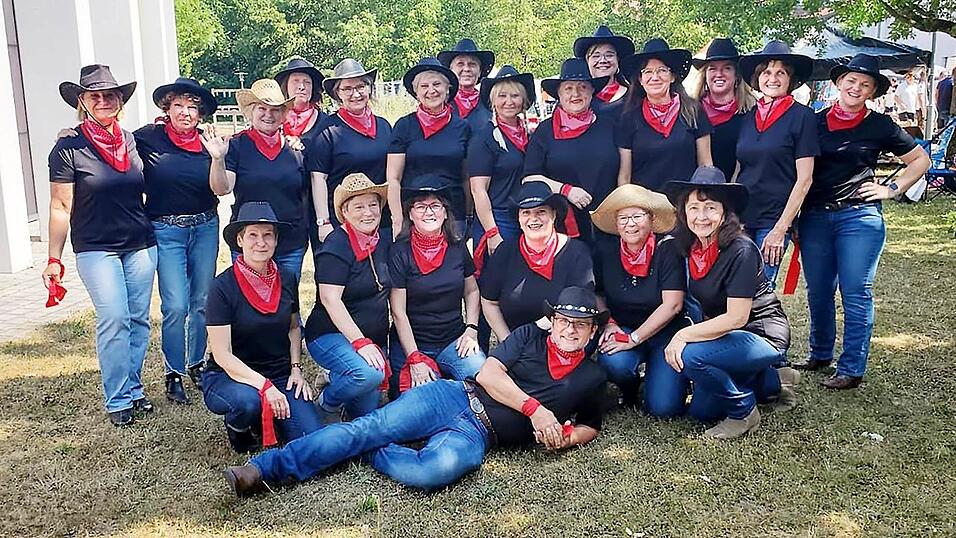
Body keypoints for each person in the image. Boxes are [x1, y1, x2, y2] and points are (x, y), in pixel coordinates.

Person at [222, 286, 609, 495]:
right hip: (453, 395)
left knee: (434, 472)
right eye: (564, 321)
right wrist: (536, 411)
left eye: (581, 325)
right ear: (553, 322)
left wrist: (568, 438)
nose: (570, 330)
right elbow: (489, 376)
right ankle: (262, 469)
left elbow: (590, 423)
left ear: (593, 331)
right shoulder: (527, 337)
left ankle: (370, 449)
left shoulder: (592, 376)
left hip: (478, 433)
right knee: (364, 428)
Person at [797, 54, 931, 389]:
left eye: (865, 84)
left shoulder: (879, 125)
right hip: (815, 216)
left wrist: (892, 189)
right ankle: (820, 353)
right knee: (818, 291)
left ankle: (852, 367)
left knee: (856, 291)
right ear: (839, 83)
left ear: (872, 91)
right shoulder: (814, 122)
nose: (856, 88)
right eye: (851, 81)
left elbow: (920, 160)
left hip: (858, 217)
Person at [45, 65, 157, 427]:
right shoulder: (68, 147)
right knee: (114, 317)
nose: (105, 101)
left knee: (138, 320)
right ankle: (118, 398)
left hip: (139, 243)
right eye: (96, 96)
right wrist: (53, 258)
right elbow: (61, 206)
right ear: (83, 101)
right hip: (96, 248)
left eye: (111, 95)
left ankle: (135, 390)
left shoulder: (133, 141)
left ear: (120, 101)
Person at [662, 167, 800, 439]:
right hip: (726, 335)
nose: (701, 217)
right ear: (683, 212)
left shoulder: (741, 250)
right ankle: (771, 381)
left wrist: (683, 335)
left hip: (760, 333)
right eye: (694, 208)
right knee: (702, 412)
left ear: (725, 212)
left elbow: (737, 318)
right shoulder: (691, 245)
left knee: (690, 356)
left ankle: (743, 412)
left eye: (710, 208)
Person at [203, 202, 322, 452]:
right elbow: (222, 355)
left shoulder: (287, 278)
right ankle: (239, 426)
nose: (261, 242)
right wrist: (264, 386)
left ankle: (276, 414)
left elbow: (293, 328)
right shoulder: (222, 287)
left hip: (279, 373)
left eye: (268, 235)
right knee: (248, 403)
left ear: (276, 240)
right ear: (240, 240)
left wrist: (296, 370)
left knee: (312, 437)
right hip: (231, 376)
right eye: (253, 235)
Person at [133, 77, 220, 403]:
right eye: (179, 106)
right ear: (167, 109)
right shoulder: (147, 138)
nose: (186, 112)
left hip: (205, 227)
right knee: (175, 305)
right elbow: (110, 140)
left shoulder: (208, 143)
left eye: (193, 107)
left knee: (201, 302)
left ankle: (196, 363)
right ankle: (173, 371)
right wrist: (70, 133)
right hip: (166, 230)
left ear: (200, 114)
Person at [591, 184, 690, 414]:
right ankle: (630, 389)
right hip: (623, 325)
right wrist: (610, 324)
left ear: (651, 219)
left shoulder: (668, 249)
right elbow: (598, 292)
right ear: (616, 224)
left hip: (666, 332)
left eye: (637, 216)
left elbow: (673, 305)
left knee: (664, 409)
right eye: (623, 218)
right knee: (614, 361)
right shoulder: (606, 250)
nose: (630, 223)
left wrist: (634, 338)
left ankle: (667, 380)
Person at [388, 175, 486, 399]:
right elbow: (398, 312)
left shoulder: (457, 246)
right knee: (416, 403)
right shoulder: (399, 252)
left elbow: (471, 290)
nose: (428, 212)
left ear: (445, 212)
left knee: (482, 383)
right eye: (420, 206)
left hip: (454, 339)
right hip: (414, 342)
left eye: (435, 205)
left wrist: (471, 328)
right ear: (410, 214)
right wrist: (414, 357)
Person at [305, 174, 391, 422]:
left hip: (372, 339)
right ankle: (326, 402)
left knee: (364, 415)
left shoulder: (382, 240)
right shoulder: (336, 245)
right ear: (344, 211)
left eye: (373, 205)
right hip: (330, 334)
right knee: (370, 374)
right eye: (359, 206)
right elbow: (331, 299)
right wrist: (360, 342)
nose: (368, 212)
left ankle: (335, 377)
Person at [736, 41, 820, 287]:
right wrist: (733, 216)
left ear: (790, 80)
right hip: (743, 217)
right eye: (766, 72)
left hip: (774, 219)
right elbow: (740, 168)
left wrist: (781, 228)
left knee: (759, 290)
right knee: (733, 289)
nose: (772, 78)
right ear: (757, 77)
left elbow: (805, 178)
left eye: (780, 73)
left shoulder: (802, 117)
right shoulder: (747, 117)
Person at [208, 79, 310, 279]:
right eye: (262, 108)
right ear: (251, 111)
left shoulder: (297, 149)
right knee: (249, 303)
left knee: (287, 303)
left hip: (291, 242)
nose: (268, 115)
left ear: (283, 115)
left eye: (275, 110)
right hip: (251, 242)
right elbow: (222, 188)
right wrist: (218, 159)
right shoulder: (236, 146)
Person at [480, 181, 594, 340]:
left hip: (564, 341)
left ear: (553, 215)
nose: (533, 219)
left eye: (541, 211)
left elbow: (577, 306)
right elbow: (489, 302)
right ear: (519, 219)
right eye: (526, 213)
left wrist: (528, 334)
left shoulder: (577, 252)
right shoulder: (505, 251)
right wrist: (507, 341)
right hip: (516, 343)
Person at [524, 58, 618, 244]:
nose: (575, 93)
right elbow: (529, 178)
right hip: (565, 227)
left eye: (582, 87)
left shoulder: (610, 126)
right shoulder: (545, 131)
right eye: (568, 88)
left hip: (609, 224)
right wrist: (566, 190)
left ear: (592, 91)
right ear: (559, 93)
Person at [387, 58, 470, 238]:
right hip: (413, 214)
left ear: (447, 89)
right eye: (424, 86)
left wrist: (469, 214)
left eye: (437, 84)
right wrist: (397, 219)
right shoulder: (404, 126)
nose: (431, 91)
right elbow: (393, 178)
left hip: (454, 214)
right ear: (416, 92)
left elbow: (466, 177)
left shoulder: (462, 127)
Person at [309, 58, 392, 238]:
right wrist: (324, 222)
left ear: (369, 88)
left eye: (361, 87)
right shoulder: (327, 131)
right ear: (338, 93)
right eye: (347, 89)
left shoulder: (384, 126)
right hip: (342, 221)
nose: (355, 94)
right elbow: (318, 179)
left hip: (380, 220)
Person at [617, 38, 713, 191]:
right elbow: (625, 176)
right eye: (647, 72)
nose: (655, 77)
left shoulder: (694, 111)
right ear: (640, 80)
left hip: (686, 204)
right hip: (646, 207)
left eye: (662, 70)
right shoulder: (629, 119)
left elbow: (706, 166)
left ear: (673, 76)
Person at [468, 65, 537, 257]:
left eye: (515, 96)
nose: (509, 102)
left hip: (529, 217)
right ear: (493, 100)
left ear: (523, 99)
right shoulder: (484, 139)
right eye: (502, 96)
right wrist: (492, 232)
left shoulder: (532, 135)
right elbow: (478, 190)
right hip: (499, 220)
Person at [274, 57, 329, 258]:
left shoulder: (327, 123)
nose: (301, 87)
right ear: (285, 87)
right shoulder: (273, 120)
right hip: (286, 202)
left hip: (320, 202)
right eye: (295, 81)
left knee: (325, 259)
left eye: (306, 82)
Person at [690, 38, 755, 180]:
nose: (719, 74)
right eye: (712, 68)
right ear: (705, 75)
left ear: (737, 75)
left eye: (727, 68)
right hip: (696, 195)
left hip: (737, 191)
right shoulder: (691, 112)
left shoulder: (751, 114)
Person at [572, 24, 635, 116]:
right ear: (587, 61)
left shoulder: (634, 97)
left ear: (618, 60)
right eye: (596, 56)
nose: (602, 60)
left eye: (609, 55)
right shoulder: (575, 99)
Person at [438, 38, 495, 132]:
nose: (466, 69)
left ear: (480, 71)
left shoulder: (490, 104)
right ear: (451, 70)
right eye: (460, 64)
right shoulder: (439, 102)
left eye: (472, 64)